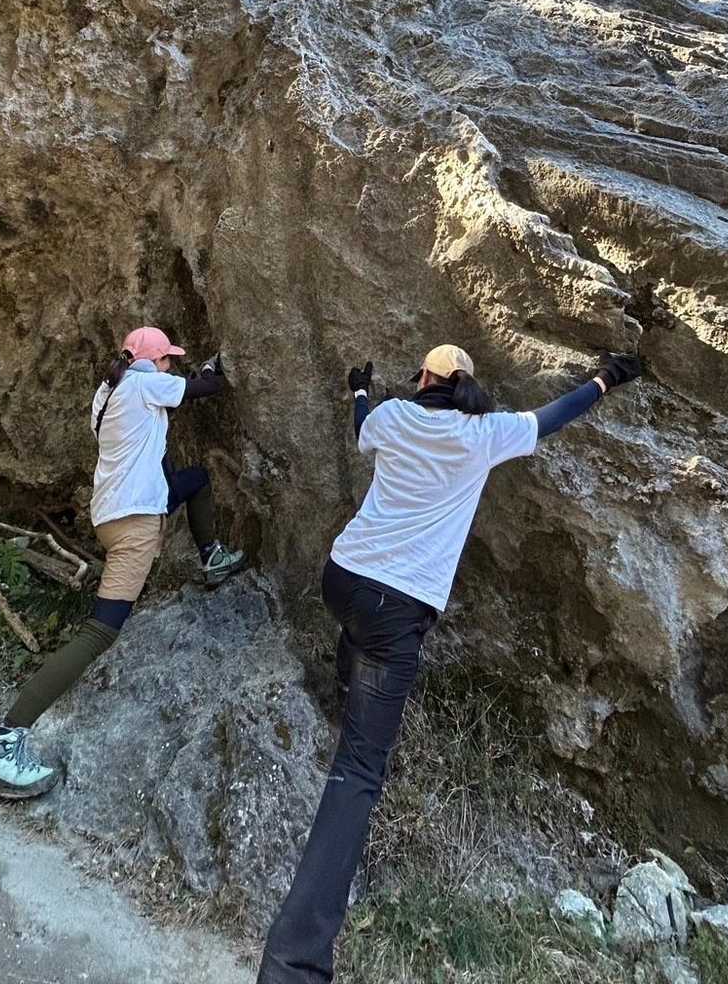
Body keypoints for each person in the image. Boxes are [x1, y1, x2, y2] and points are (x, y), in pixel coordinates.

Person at [257, 343, 642, 984]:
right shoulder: (482, 436)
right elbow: (552, 416)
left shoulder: (392, 417)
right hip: (397, 608)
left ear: (424, 379)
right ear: (464, 381)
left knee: (357, 636)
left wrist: (360, 389)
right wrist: (605, 379)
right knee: (359, 770)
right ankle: (291, 966)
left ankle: (344, 686)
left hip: (343, 577)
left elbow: (362, 428)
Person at [0, 325, 246, 801]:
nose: (171, 366)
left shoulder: (108, 391)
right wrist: (220, 365)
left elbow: (163, 423)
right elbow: (204, 388)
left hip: (111, 513)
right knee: (99, 634)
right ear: (153, 361)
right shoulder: (146, 383)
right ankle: (0, 746)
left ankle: (211, 555)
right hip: (134, 524)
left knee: (194, 479)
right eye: (168, 359)